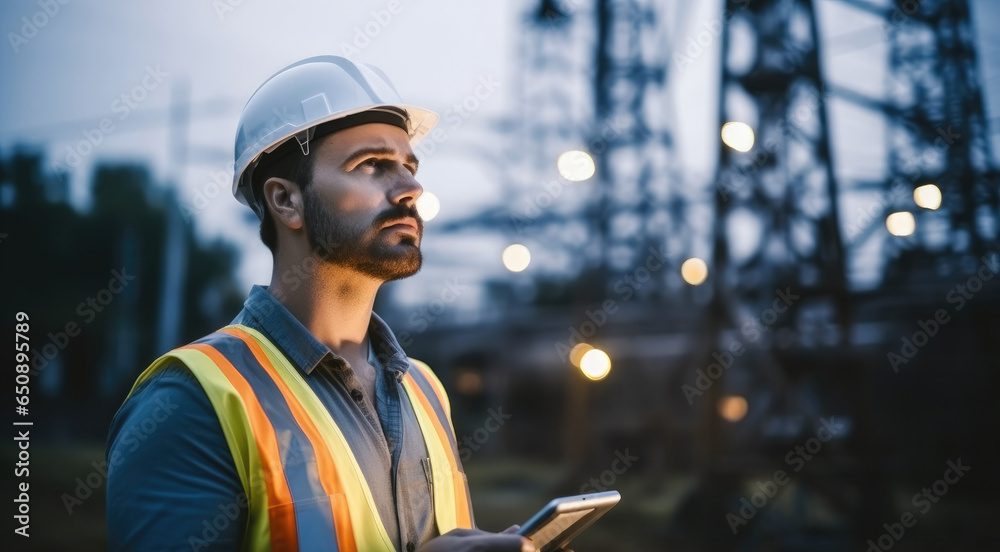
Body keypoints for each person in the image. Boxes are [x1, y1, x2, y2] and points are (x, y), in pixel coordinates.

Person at [106, 56, 539, 552]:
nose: (411, 188)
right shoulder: (192, 402)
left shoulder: (424, 389)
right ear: (286, 201)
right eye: (371, 165)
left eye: (409, 166)